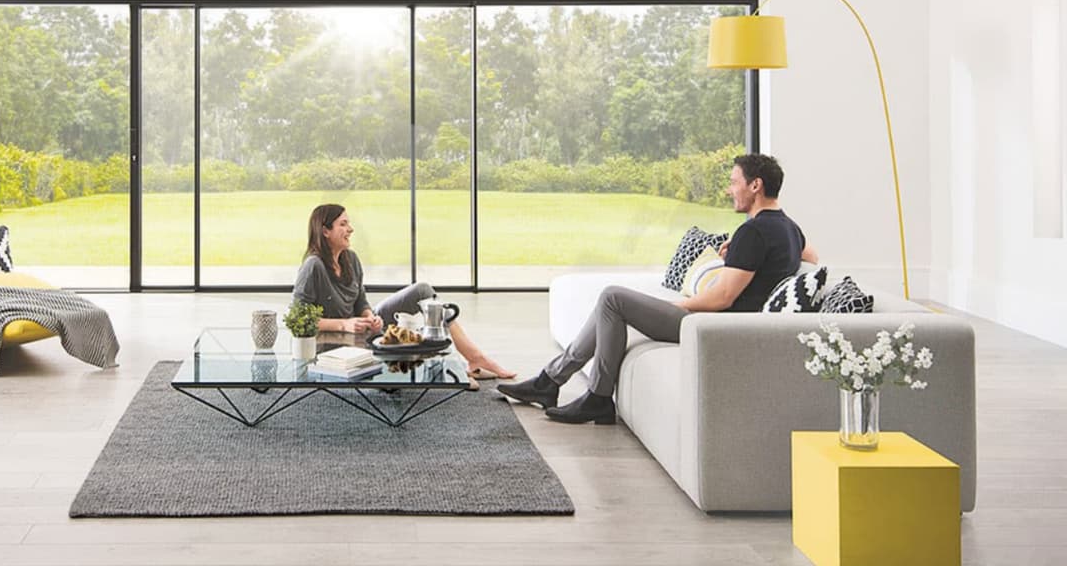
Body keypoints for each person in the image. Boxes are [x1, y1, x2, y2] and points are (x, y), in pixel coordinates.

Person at [498, 153, 819, 424]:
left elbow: (724, 297)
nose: (728, 189)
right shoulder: (789, 228)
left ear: (755, 185)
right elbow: (810, 259)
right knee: (611, 301)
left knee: (612, 298)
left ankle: (591, 395)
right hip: (730, 323)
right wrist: (741, 249)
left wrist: (678, 307)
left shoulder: (756, 232)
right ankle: (550, 382)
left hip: (714, 325)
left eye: (734, 182)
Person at [292, 203, 514, 381]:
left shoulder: (351, 259)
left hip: (362, 330)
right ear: (325, 231)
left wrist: (370, 317)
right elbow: (297, 319)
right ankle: (457, 366)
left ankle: (474, 358)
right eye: (343, 224)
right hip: (334, 339)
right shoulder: (314, 266)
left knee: (422, 290)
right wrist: (343, 324)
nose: (350, 229)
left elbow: (360, 302)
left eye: (349, 223)